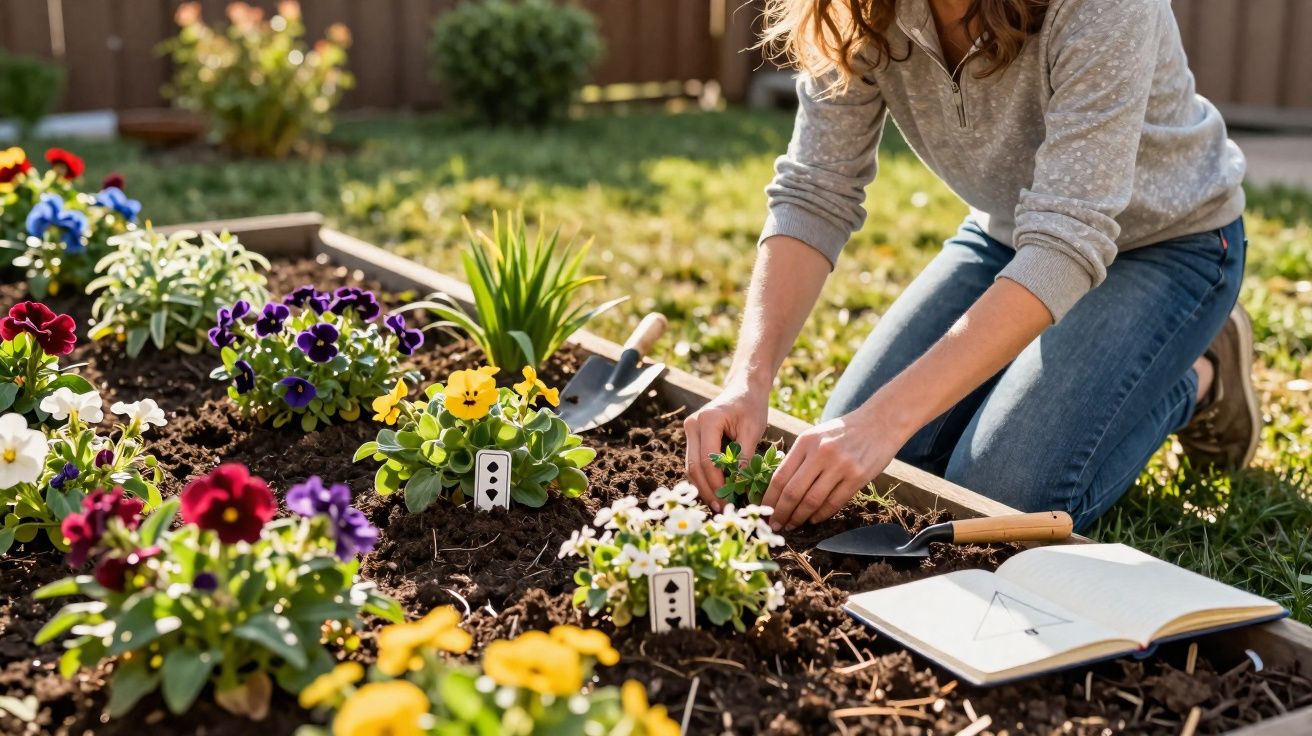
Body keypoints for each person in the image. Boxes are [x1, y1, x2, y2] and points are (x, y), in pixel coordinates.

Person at [682, 0, 1259, 533]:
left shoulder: (1105, 8)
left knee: (1000, 497)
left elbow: (1066, 243)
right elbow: (815, 190)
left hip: (1168, 245)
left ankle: (1201, 376)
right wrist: (747, 382)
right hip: (1008, 236)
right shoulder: (854, 9)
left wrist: (880, 421)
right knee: (883, 470)